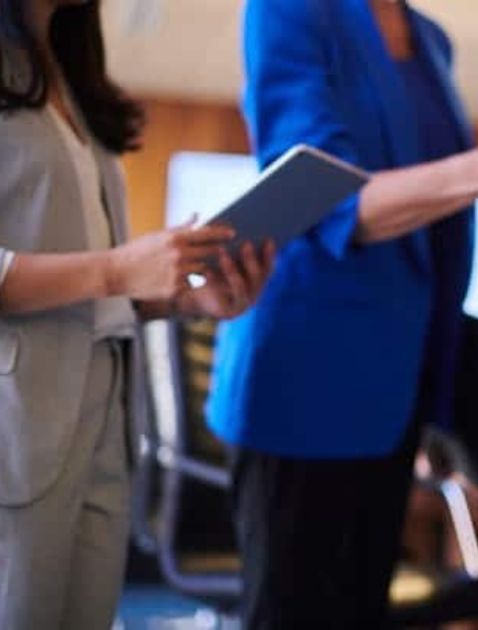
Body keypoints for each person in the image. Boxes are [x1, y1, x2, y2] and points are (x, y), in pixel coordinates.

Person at [206, 1, 478, 628]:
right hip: (306, 382)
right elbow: (327, 202)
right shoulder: (288, 11)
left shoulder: (430, 39)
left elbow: (438, 240)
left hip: (397, 393)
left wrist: (442, 400)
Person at [0, 0, 274, 628]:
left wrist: (177, 297)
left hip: (106, 419)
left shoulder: (67, 72)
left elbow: (91, 285)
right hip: (18, 420)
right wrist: (120, 269)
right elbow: (98, 269)